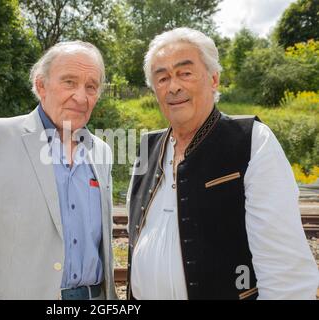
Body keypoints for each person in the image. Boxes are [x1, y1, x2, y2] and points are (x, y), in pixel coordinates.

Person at [126, 27, 318, 300]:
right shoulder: (147, 147)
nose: (174, 86)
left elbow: (286, 273)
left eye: (185, 73)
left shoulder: (251, 140)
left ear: (214, 79)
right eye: (162, 77)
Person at [0, 41, 117, 300]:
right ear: (41, 86)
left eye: (91, 87)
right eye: (69, 82)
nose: (81, 97)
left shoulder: (102, 152)